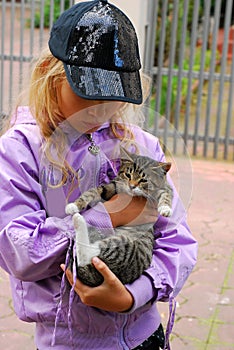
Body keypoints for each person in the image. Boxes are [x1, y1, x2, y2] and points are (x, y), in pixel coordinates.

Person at [0, 1, 197, 349]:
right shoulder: (19, 150)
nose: (101, 110)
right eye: (89, 93)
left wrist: (133, 295)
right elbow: (19, 252)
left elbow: (178, 241)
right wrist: (110, 216)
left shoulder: (141, 146)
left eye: (114, 97)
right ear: (50, 72)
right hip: (68, 341)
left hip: (144, 335)